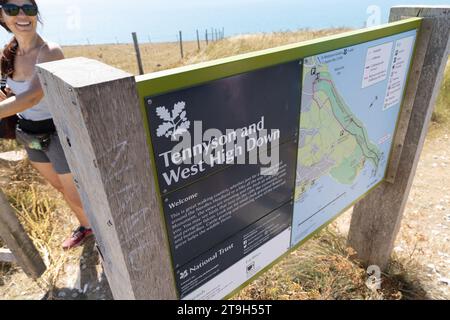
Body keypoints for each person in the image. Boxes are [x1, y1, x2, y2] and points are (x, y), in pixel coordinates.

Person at [0, 0, 92, 250]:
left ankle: (104, 234)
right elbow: (8, 89)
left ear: (36, 15)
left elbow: (32, 96)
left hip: (57, 132)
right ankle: (86, 227)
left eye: (28, 9)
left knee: (75, 193)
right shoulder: (7, 54)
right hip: (28, 131)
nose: (22, 15)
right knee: (59, 187)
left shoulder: (49, 52)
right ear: (2, 16)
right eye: (12, 9)